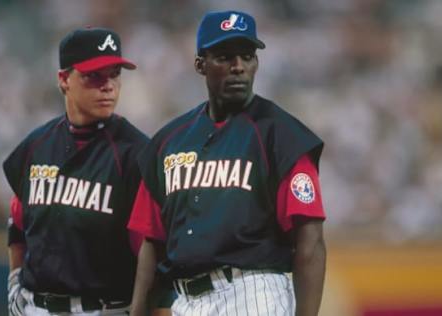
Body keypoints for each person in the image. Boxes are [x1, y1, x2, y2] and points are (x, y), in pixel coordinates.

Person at [128, 10, 327, 316]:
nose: (238, 67)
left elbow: (310, 242)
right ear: (200, 65)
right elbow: (152, 241)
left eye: (247, 56)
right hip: (186, 301)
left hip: (254, 292)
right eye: (224, 57)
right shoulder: (168, 142)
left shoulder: (283, 135)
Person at [4, 27, 150, 316]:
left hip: (103, 309)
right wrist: (13, 281)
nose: (107, 86)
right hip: (35, 307)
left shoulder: (136, 153)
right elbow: (17, 226)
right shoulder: (36, 146)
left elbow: (151, 250)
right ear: (63, 80)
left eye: (114, 75)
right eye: (93, 76)